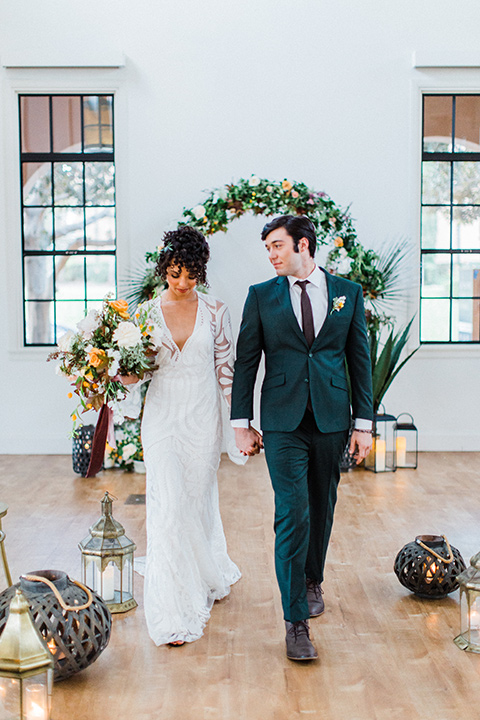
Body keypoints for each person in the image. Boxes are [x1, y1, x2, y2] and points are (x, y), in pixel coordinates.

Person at [231, 214, 373, 661]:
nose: (271, 255)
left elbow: (360, 361)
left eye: (277, 246)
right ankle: (296, 623)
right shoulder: (260, 297)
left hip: (332, 419)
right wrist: (241, 422)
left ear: (303, 245)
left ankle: (313, 579)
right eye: (268, 248)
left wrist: (363, 424)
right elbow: (247, 361)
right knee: (292, 513)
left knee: (322, 506)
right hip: (281, 421)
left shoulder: (347, 294)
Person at [121, 226, 247, 646]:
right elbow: (134, 372)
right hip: (160, 418)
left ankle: (204, 570)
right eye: (175, 273)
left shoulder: (216, 311)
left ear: (201, 272)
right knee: (168, 506)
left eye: (191, 274)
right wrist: (122, 373)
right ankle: (172, 610)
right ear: (164, 268)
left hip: (201, 418)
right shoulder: (142, 315)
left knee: (193, 501)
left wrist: (240, 424)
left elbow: (225, 371)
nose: (182, 283)